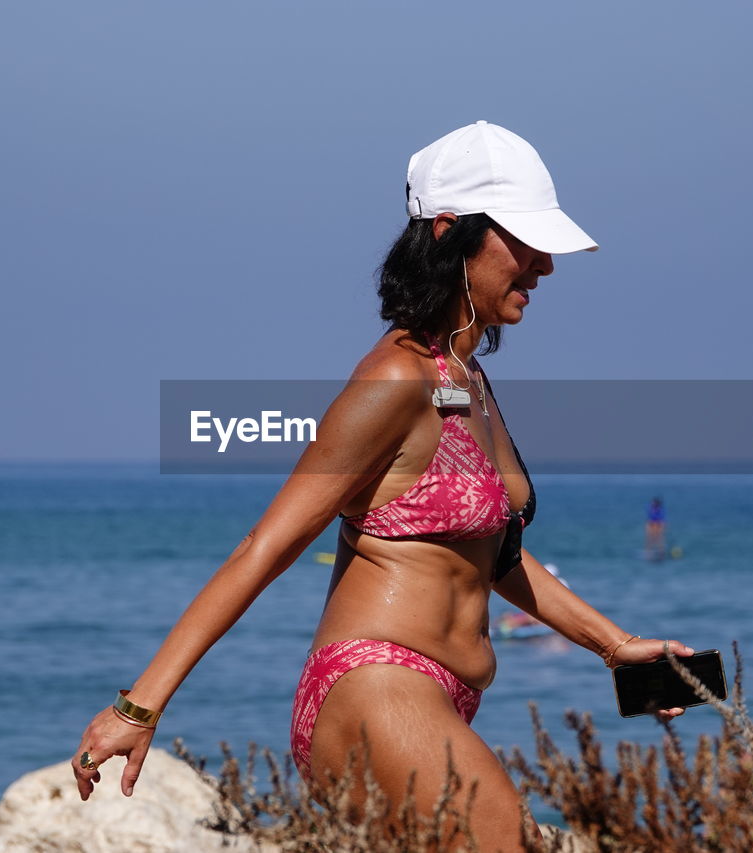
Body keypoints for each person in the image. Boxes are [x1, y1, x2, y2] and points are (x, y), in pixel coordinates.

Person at [71, 121, 695, 851]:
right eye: (523, 242)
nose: (545, 266)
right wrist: (139, 706)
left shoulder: (466, 381)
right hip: (374, 686)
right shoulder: (395, 378)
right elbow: (267, 545)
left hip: (438, 700)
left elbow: (491, 557)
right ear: (448, 234)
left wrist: (613, 645)